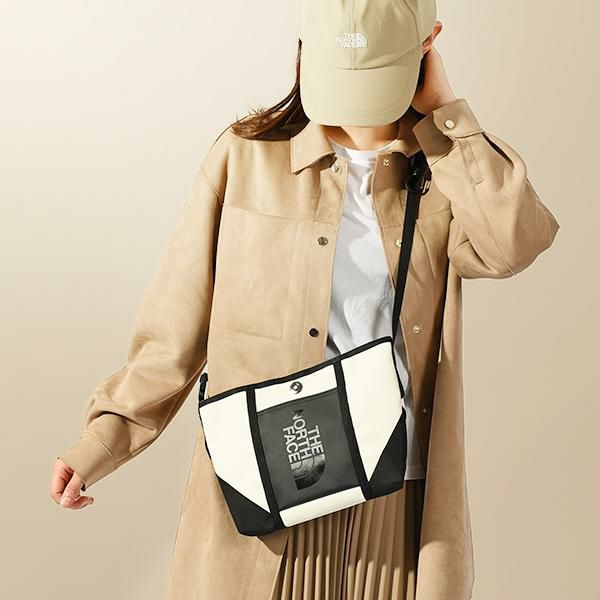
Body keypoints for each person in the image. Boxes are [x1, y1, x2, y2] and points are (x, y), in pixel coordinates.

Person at [50, 1, 560, 599]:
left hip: (394, 503)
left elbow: (512, 245)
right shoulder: (245, 158)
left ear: (429, 44)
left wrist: (448, 116)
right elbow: (174, 330)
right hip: (266, 495)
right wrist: (102, 442)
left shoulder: (443, 173)